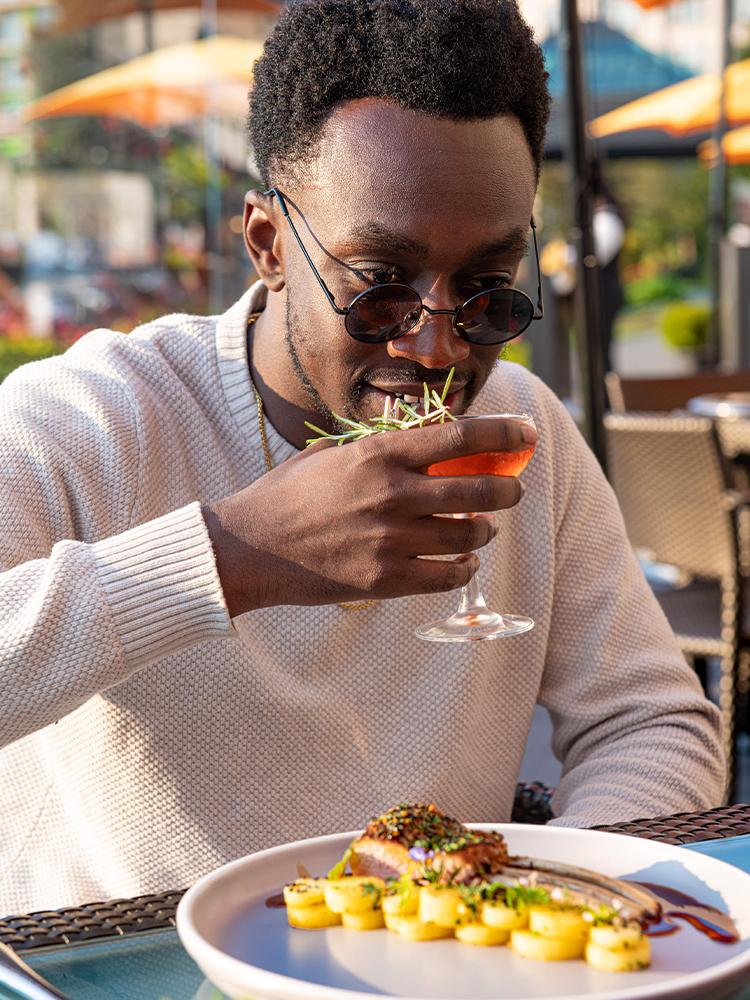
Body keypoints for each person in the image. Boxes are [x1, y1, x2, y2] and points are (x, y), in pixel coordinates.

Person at [0, 0, 723, 917]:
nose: (437, 348)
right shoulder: (90, 418)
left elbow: (649, 719)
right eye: (380, 286)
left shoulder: (523, 429)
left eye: (488, 290)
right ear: (268, 243)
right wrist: (226, 558)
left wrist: (560, 904)